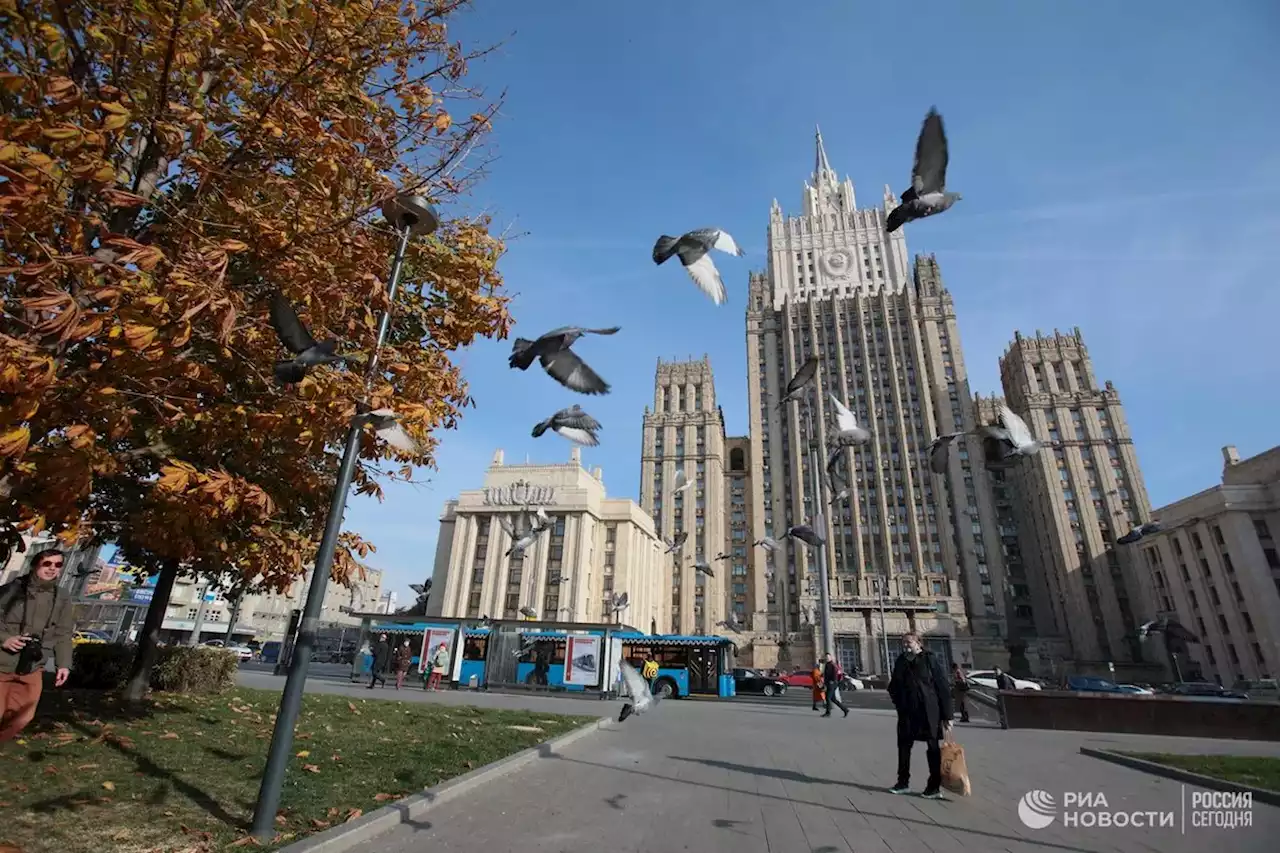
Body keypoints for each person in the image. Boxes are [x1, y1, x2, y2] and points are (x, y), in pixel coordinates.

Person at [1, 549, 76, 742]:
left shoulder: (62, 597)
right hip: (3, 662)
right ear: (35, 565)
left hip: (33, 665)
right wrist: (5, 639)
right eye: (47, 564)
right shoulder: (12, 589)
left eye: (58, 565)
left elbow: (63, 632)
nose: (52, 568)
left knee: (24, 716)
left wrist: (64, 664)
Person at [887, 633, 953, 799]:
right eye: (903, 643)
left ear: (918, 644)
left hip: (928, 712)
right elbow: (893, 686)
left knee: (932, 747)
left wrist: (948, 716)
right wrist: (899, 703)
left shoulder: (930, 659)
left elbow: (942, 686)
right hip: (907, 712)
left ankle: (934, 786)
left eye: (908, 643)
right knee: (903, 747)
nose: (905, 646)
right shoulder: (901, 661)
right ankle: (902, 782)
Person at [821, 653, 848, 718]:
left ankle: (828, 713)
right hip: (829, 683)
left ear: (831, 658)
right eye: (826, 657)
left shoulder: (833, 665)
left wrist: (832, 681)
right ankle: (845, 709)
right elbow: (826, 675)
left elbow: (835, 674)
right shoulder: (827, 664)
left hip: (832, 684)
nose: (827, 658)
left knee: (828, 698)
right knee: (833, 699)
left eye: (828, 657)